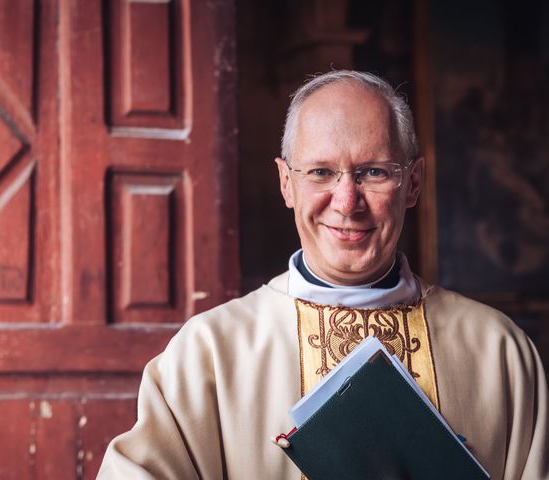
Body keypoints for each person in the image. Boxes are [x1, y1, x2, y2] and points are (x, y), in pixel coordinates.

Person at [97, 70, 548, 479]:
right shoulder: (208, 354)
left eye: (373, 172)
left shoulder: (501, 353)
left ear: (412, 183)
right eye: (321, 172)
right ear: (286, 183)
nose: (347, 201)